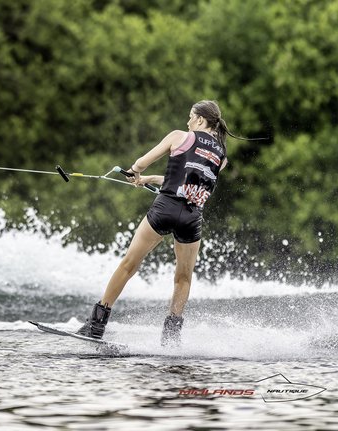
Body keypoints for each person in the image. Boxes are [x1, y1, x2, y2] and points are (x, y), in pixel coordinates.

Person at [76, 100, 232, 346]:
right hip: (192, 219)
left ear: (201, 120)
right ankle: (171, 338)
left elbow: (141, 162)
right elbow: (187, 179)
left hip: (165, 209)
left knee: (129, 264)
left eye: (191, 117)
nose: (187, 122)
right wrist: (148, 179)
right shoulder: (222, 156)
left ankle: (96, 325)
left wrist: (135, 172)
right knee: (183, 278)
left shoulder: (180, 136)